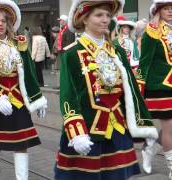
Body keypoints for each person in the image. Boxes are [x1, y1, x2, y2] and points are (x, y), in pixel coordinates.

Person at [55, 1, 158, 180]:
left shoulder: (116, 51)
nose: (105, 20)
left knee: (118, 176)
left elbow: (132, 91)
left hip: (117, 128)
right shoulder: (72, 54)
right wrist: (76, 131)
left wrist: (145, 125)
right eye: (99, 15)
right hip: (86, 131)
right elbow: (68, 94)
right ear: (84, 19)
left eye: (107, 16)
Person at [0, 0, 47, 179]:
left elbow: (29, 73)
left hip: (18, 102)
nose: (0, 24)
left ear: (9, 24)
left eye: (3, 21)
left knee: (21, 144)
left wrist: (38, 99)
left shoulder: (19, 43)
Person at [138, 1, 172, 178]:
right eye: (166, 9)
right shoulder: (151, 33)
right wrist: (139, 89)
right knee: (169, 128)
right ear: (158, 11)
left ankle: (149, 150)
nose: (170, 12)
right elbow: (144, 63)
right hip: (159, 86)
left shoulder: (171, 31)